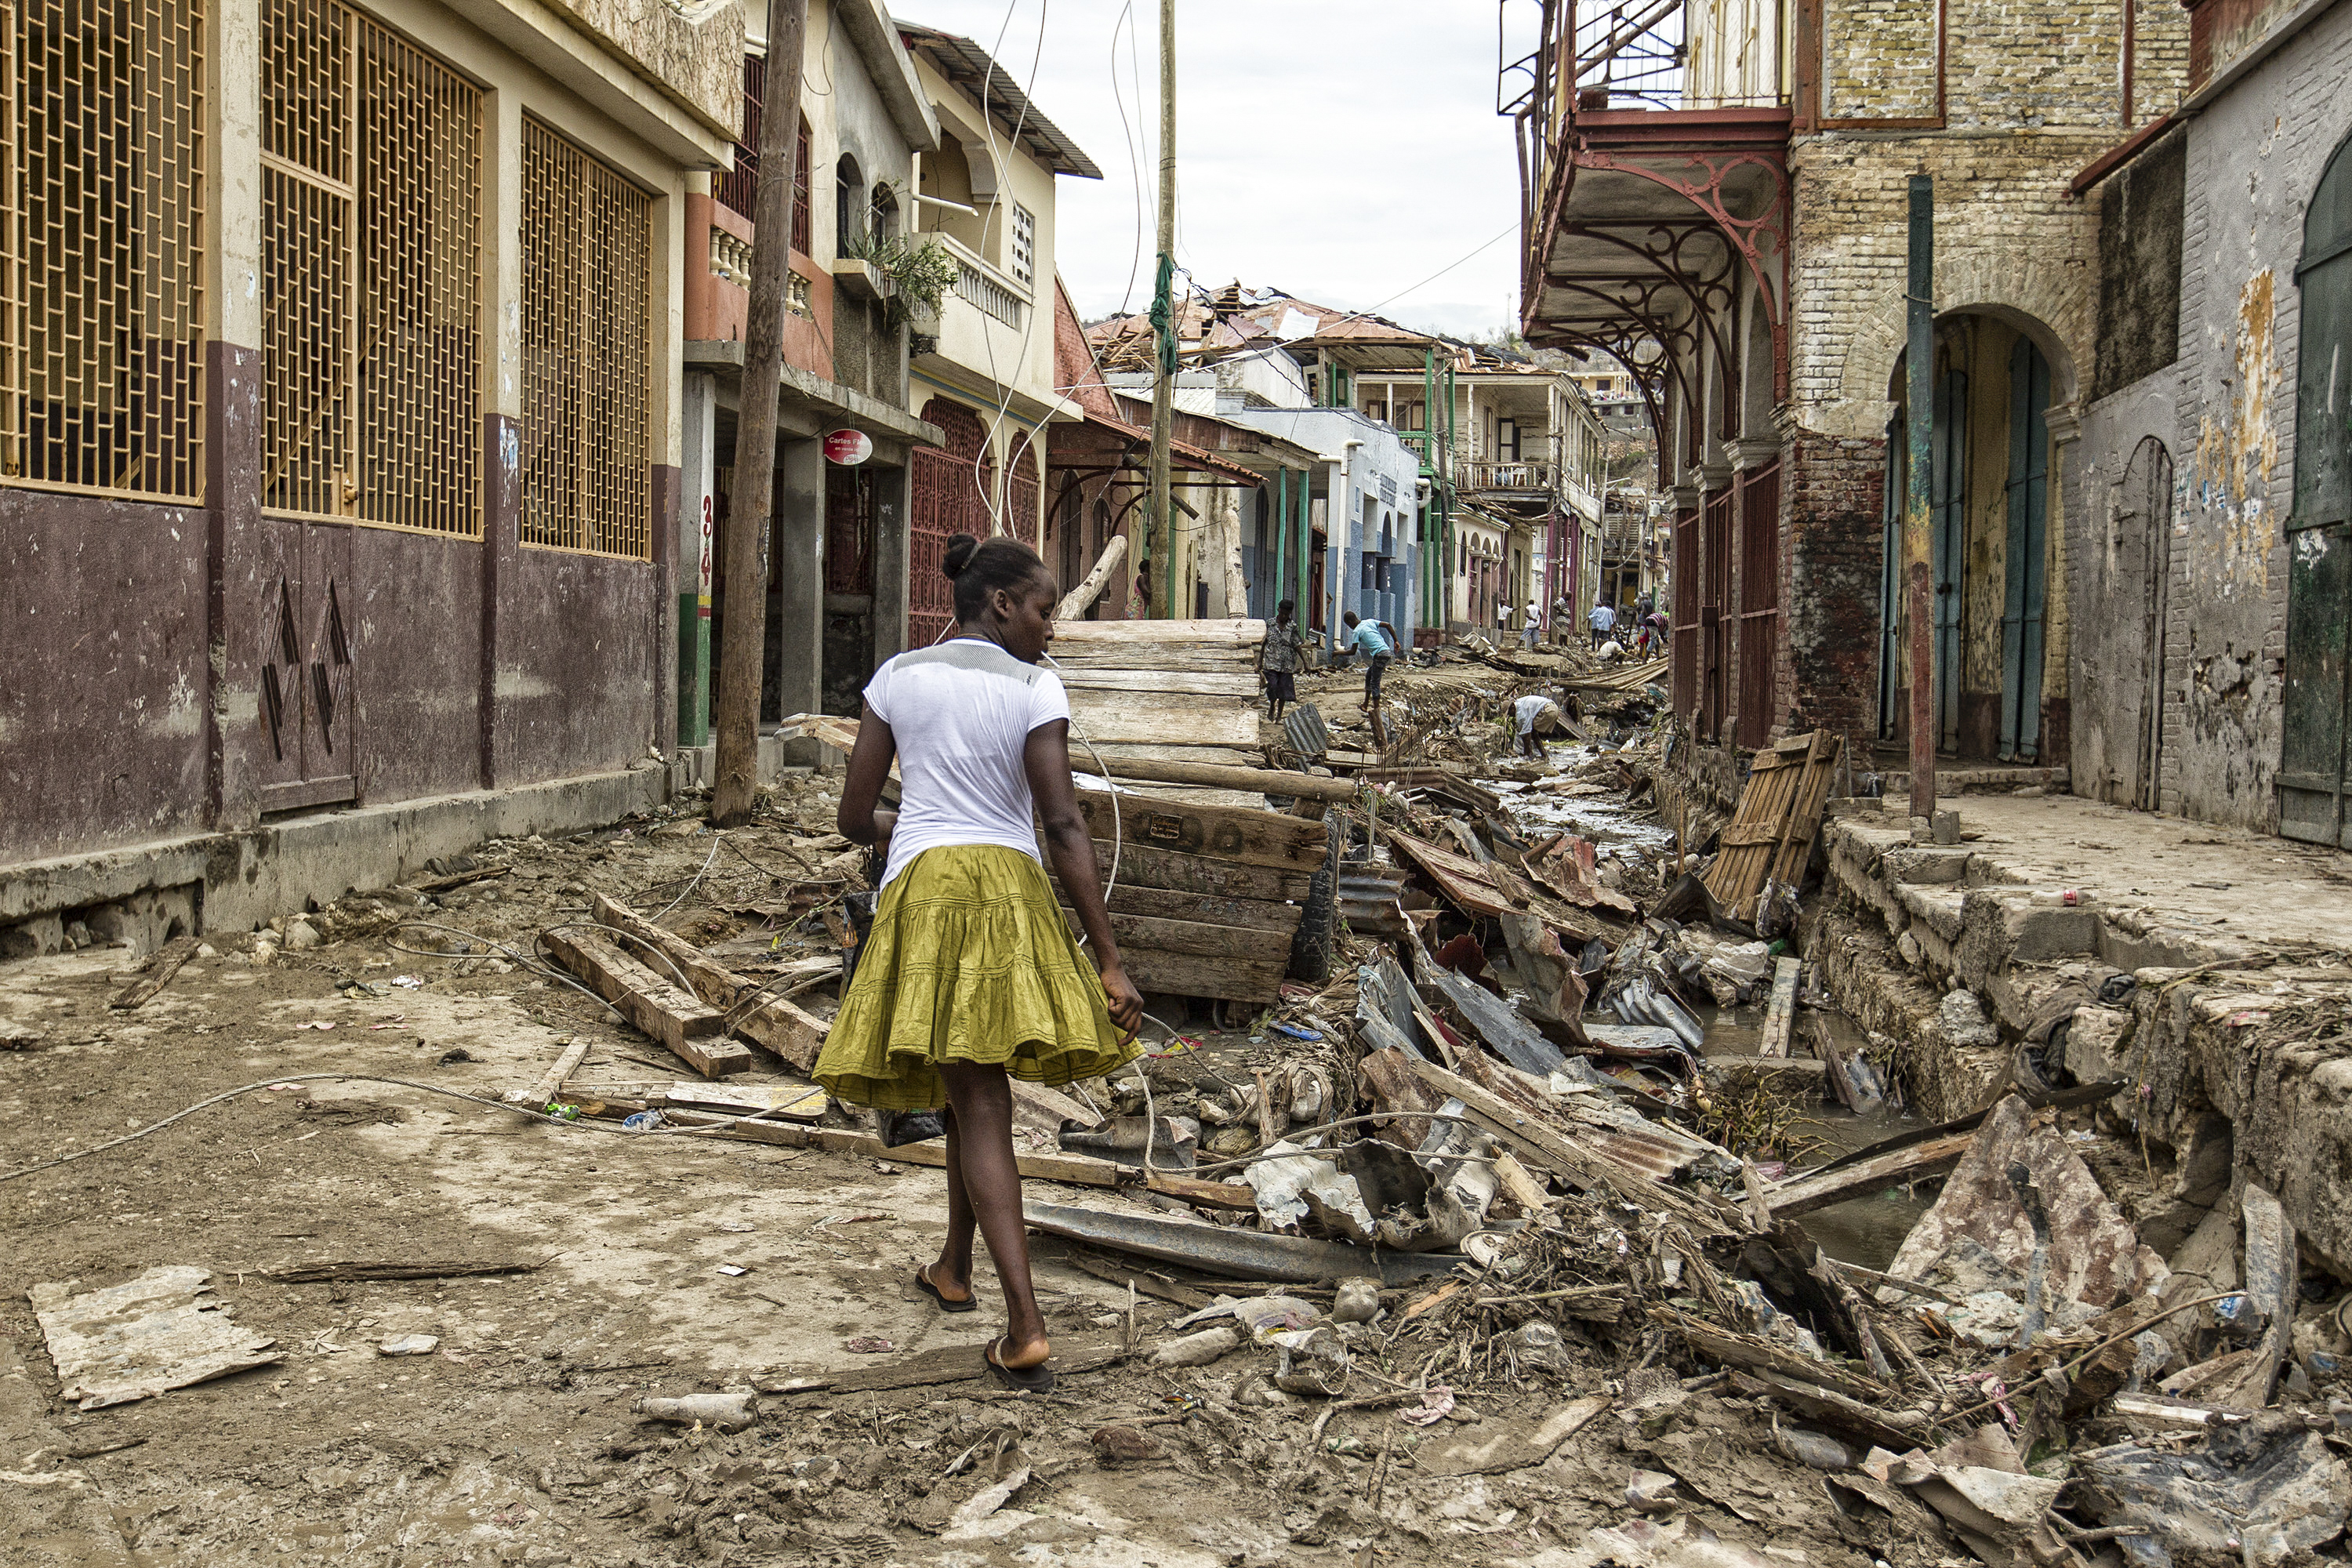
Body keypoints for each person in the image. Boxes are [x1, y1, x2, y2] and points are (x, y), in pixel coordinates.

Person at [821, 532, 1145, 1394]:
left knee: (972, 1091)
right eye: (1044, 608)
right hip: (1008, 893)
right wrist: (1109, 959)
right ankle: (1019, 1317)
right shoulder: (1035, 685)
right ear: (1001, 603)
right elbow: (1064, 823)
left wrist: (917, 829)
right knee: (978, 1089)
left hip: (926, 891)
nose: (1051, 627)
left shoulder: (897, 676)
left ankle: (973, 1279)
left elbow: (857, 815)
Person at [1258, 598, 1309, 720]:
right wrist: (1259, 661)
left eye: (1287, 614)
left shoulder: (1293, 627)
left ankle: (1279, 716)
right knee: (1272, 686)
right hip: (1271, 662)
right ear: (1278, 610)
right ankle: (1271, 706)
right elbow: (1264, 643)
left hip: (1287, 664)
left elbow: (1297, 645)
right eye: (1282, 613)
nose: (1284, 616)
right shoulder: (1269, 623)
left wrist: (1306, 662)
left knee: (1283, 690)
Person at [1342, 610, 1393, 712]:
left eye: (1348, 625)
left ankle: (1376, 710)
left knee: (1375, 682)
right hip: (1386, 651)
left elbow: (1352, 651)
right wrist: (1395, 641)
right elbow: (1388, 625)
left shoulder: (1357, 631)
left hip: (1380, 654)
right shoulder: (1369, 622)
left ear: (1350, 622)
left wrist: (1338, 653)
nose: (1350, 627)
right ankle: (1365, 705)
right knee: (1369, 675)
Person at [1512, 692, 1566, 757]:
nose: (1510, 715)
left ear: (1512, 708)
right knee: (1533, 732)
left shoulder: (1521, 713)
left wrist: (1525, 753)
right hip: (1554, 708)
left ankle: (1528, 754)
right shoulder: (1520, 702)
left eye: (1510, 713)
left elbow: (1527, 732)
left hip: (1548, 710)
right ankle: (1543, 755)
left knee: (1532, 733)